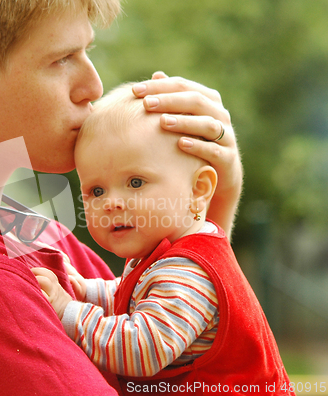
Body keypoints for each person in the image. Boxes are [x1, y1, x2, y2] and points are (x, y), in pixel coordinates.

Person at [0, 1, 243, 395]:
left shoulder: (12, 220)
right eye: (63, 58)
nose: (93, 87)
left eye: (88, 51)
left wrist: (211, 208)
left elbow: (173, 331)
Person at [32, 84, 292, 395]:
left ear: (198, 189)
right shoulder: (167, 259)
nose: (111, 202)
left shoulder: (188, 272)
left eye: (136, 182)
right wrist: (85, 290)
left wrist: (69, 312)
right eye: (96, 191)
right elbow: (133, 293)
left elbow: (142, 348)